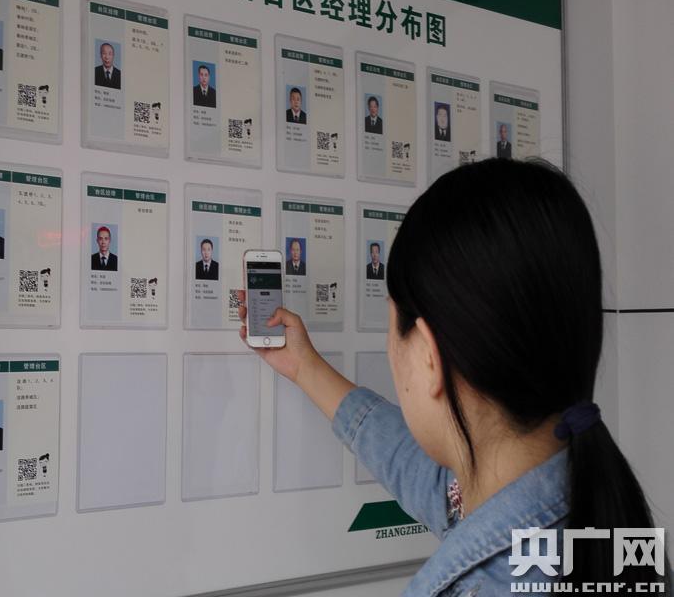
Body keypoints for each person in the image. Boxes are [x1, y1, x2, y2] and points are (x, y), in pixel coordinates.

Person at [238, 158, 672, 594]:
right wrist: (304, 366)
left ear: (428, 355)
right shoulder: (604, 525)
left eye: (392, 325)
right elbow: (418, 469)